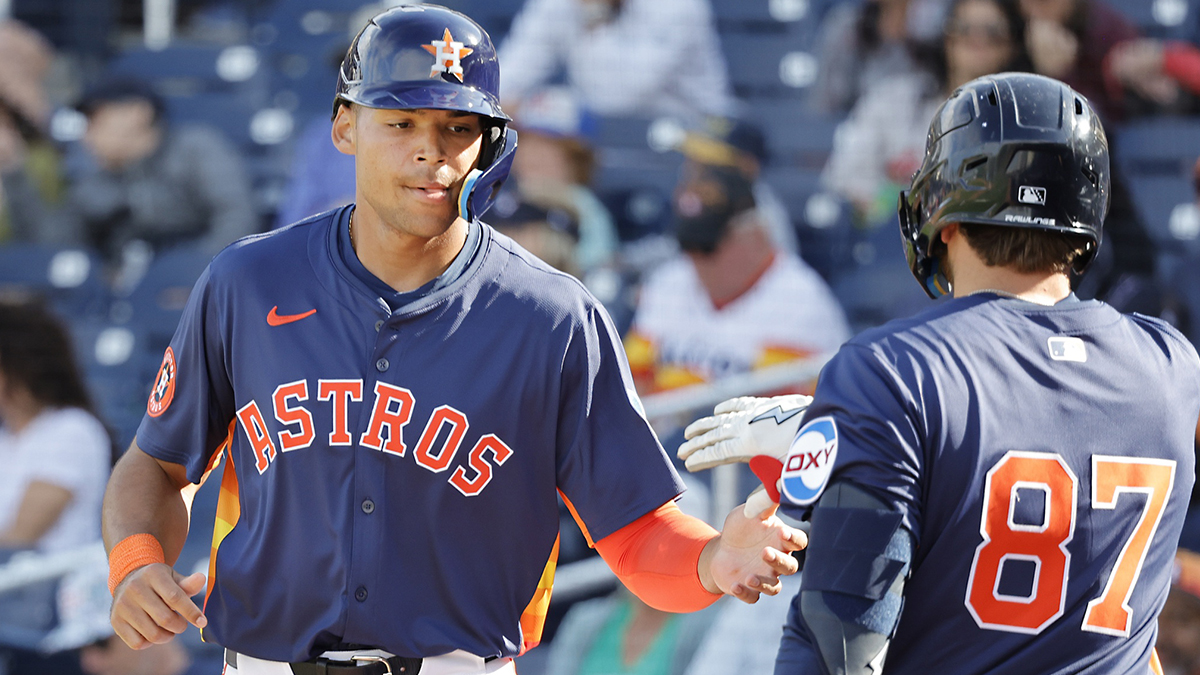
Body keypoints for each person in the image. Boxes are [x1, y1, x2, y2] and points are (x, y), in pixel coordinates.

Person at [100, 6, 805, 675]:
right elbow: (156, 466)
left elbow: (637, 530)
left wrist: (712, 559)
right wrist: (135, 560)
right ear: (346, 127)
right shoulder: (247, 282)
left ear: (490, 144)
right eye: (400, 122)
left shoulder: (552, 316)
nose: (429, 153)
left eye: (456, 129)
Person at [678, 72, 1200, 674]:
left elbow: (842, 647)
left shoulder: (890, 372)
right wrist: (859, 439)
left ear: (944, 214)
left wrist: (855, 435)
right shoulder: (1171, 367)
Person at [625, 164, 848, 395]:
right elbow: (630, 384)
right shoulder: (669, 281)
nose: (695, 260)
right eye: (688, 245)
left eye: (707, 247)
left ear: (755, 236)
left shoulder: (800, 300)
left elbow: (778, 417)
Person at [2, 78, 259, 267]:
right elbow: (56, 247)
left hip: (201, 287)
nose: (87, 133)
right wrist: (15, 172)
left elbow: (237, 216)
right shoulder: (94, 177)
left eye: (95, 117)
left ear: (138, 113)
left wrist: (195, 276)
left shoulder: (195, 147)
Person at [822, 0, 1030, 225]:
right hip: (892, 244)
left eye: (992, 32)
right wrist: (893, 202)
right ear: (947, 39)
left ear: (1012, 45)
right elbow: (842, 178)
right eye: (964, 28)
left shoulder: (1025, 120)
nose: (976, 40)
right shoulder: (893, 98)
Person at [499, 0, 735, 120]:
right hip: (605, 141)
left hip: (693, 136)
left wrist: (593, 12)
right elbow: (502, 80)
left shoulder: (678, 6)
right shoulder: (556, 5)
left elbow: (619, 97)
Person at [0, 301, 111, 553]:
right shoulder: (6, 436)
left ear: (18, 367)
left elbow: (21, 537)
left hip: (46, 585)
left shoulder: (72, 430)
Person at [1017, 0, 1138, 122]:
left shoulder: (1106, 29)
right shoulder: (1010, 24)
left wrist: (1059, 75)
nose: (1034, 13)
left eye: (1043, 2)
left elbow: (1095, 123)